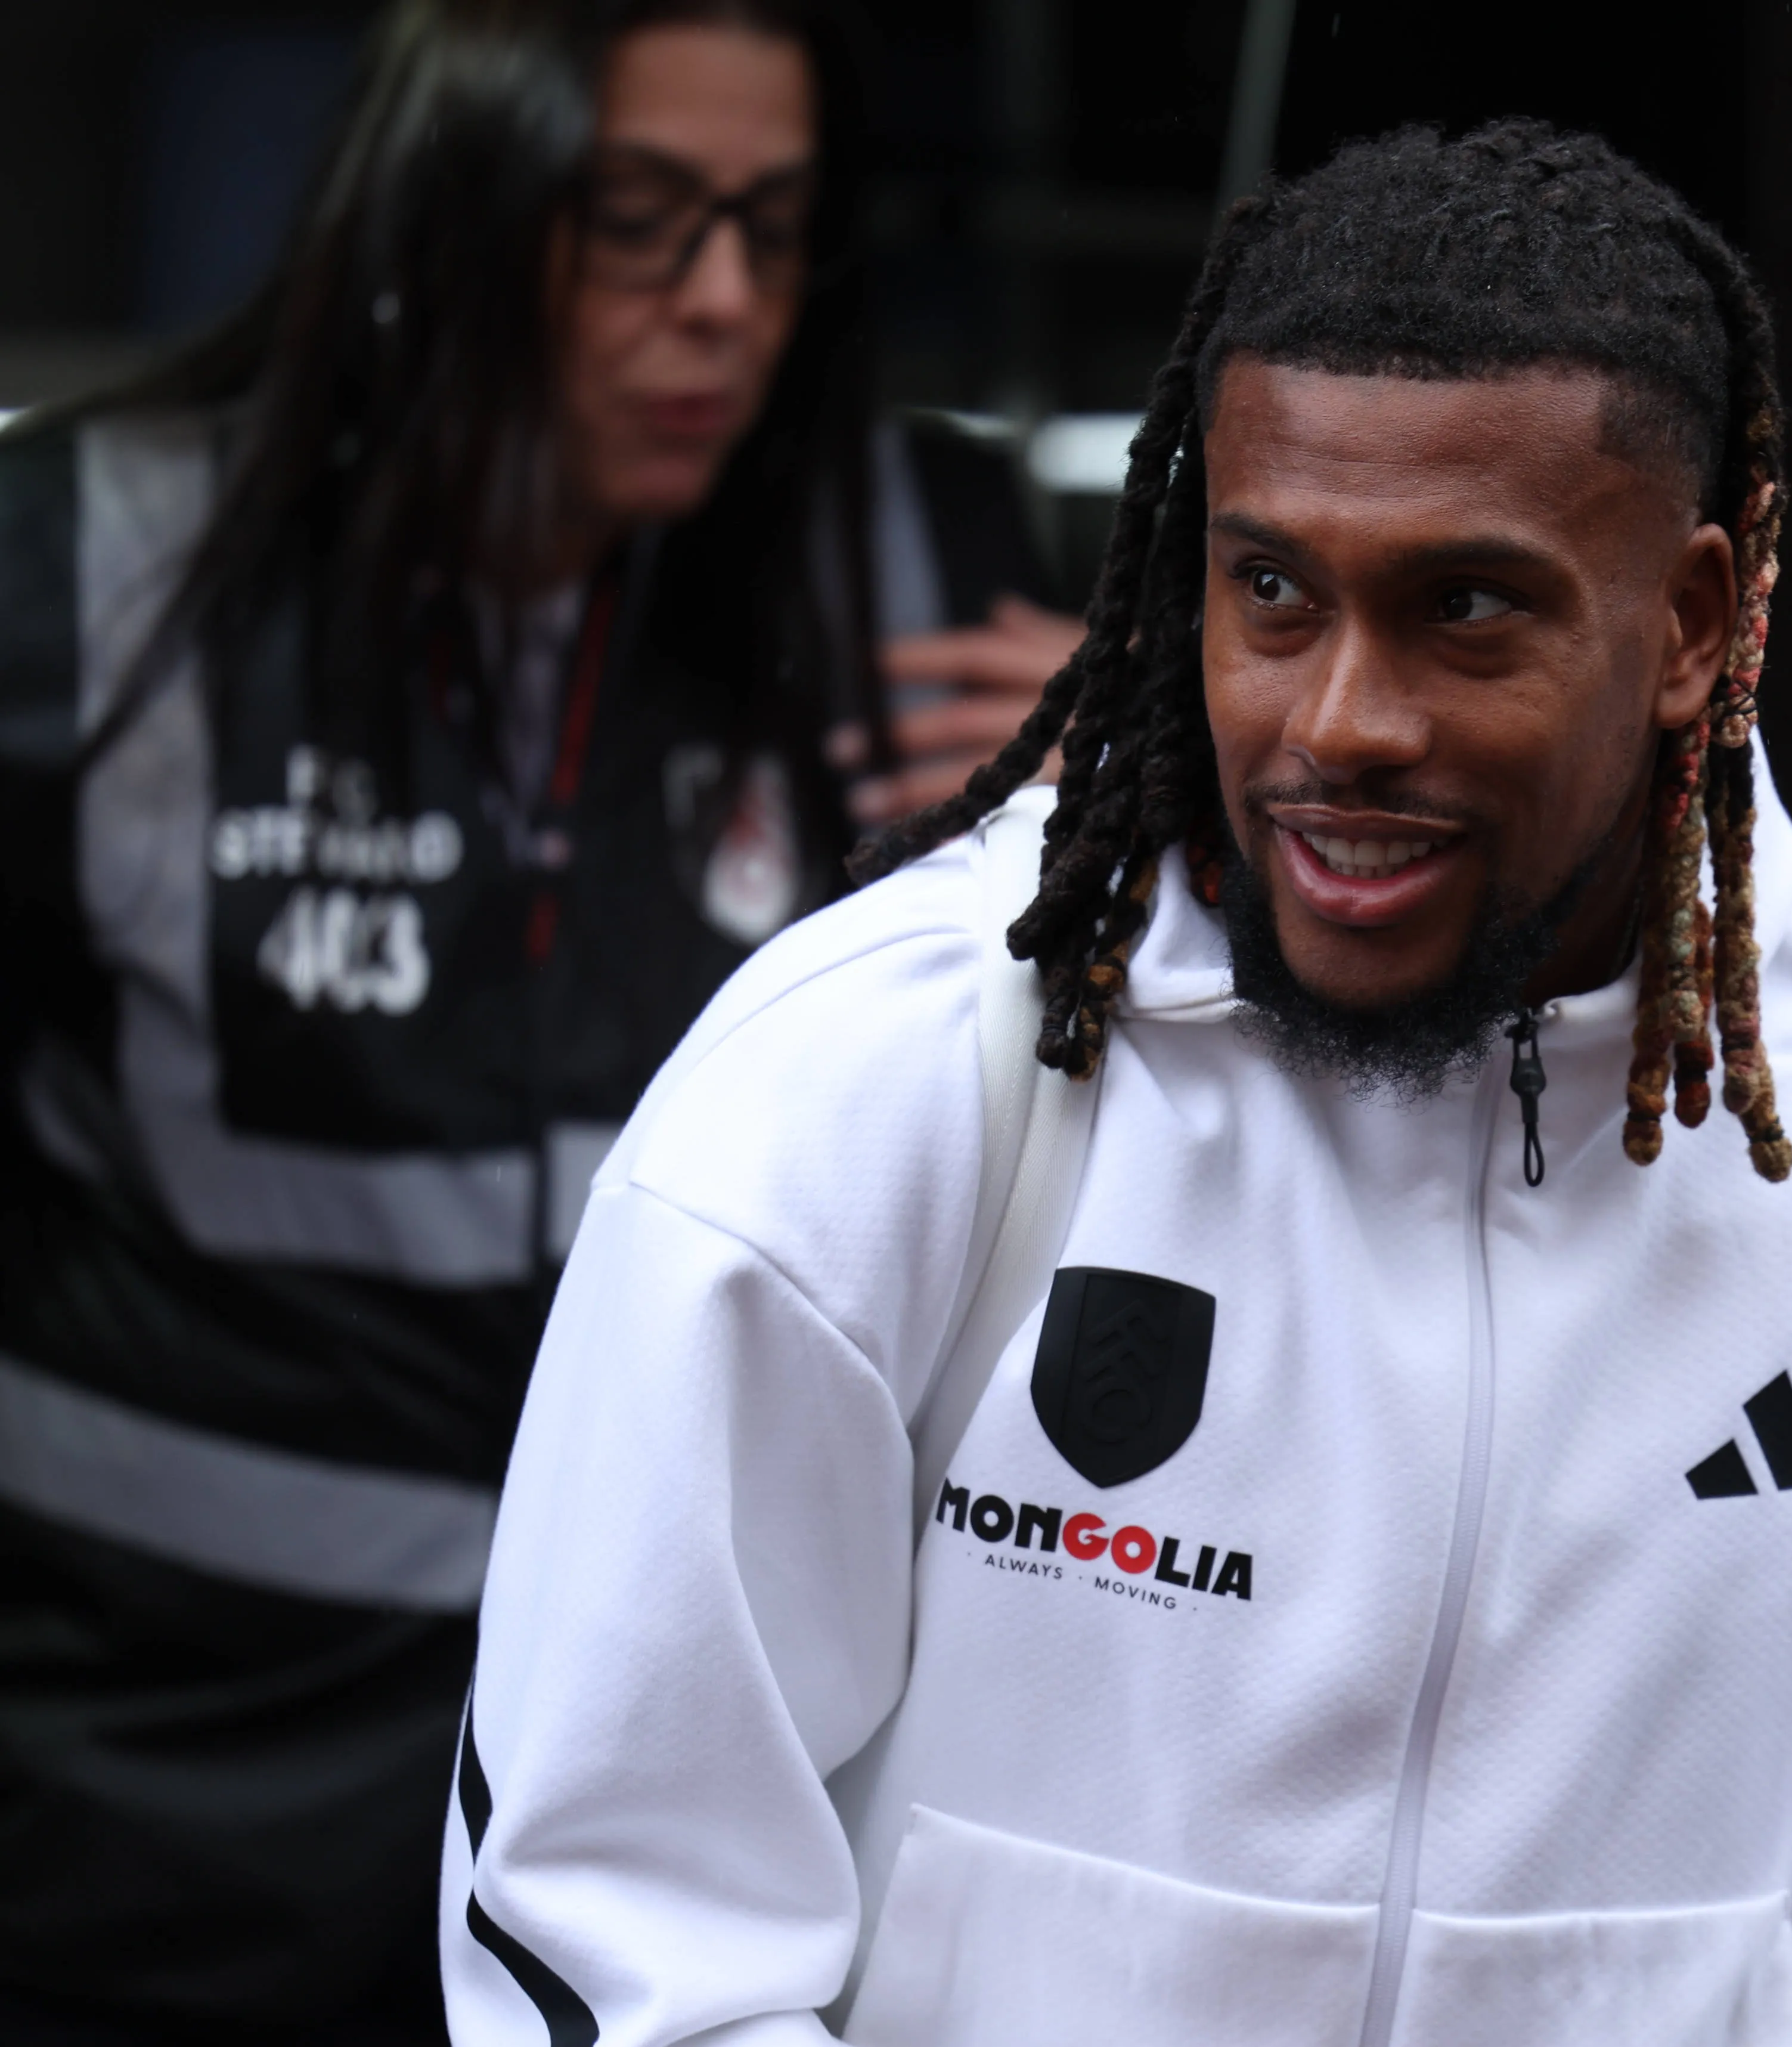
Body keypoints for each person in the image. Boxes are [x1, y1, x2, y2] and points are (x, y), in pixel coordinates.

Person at [445, 122, 1792, 2045]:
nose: (1339, 722)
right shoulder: (875, 1081)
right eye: (1274, 589)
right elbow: (617, 1929)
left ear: (1691, 622)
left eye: (1465, 608)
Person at [0, 2, 1070, 2039]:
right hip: (152, 1797)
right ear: (445, 211)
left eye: (772, 227)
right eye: (639, 220)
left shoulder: (908, 572)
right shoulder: (87, 569)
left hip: (679, 1797)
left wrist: (1148, 792)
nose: (723, 302)